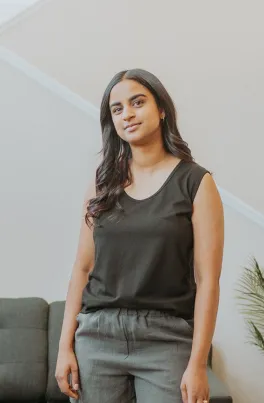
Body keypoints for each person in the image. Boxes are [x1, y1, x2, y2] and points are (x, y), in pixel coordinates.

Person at [55, 69, 224, 403]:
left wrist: (197, 364)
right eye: (117, 109)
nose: (127, 114)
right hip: (97, 337)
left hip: (167, 340)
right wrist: (64, 347)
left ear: (161, 109)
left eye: (137, 102)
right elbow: (82, 268)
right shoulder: (102, 184)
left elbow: (208, 280)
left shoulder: (196, 183)